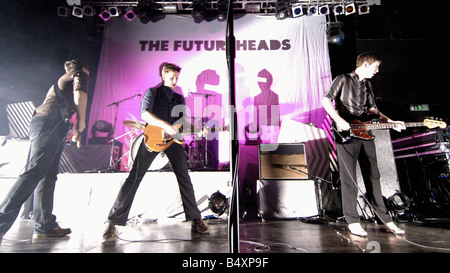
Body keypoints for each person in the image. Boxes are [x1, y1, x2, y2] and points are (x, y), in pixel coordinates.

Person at [102, 63, 210, 242]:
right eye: (172, 77)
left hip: (172, 142)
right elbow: (144, 114)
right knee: (133, 178)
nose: (175, 81)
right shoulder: (152, 92)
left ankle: (196, 219)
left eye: (177, 78)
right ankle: (112, 222)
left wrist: (198, 130)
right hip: (152, 138)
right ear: (163, 76)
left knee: (184, 177)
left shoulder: (178, 98)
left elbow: (183, 121)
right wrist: (165, 125)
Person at [0, 59, 89, 245]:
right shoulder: (78, 75)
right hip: (48, 124)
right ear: (83, 69)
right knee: (33, 172)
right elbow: (80, 94)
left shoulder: (65, 79)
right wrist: (81, 123)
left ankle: (44, 226)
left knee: (47, 176)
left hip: (50, 125)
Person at [322, 52, 406, 237]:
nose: (377, 71)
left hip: (365, 132)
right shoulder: (342, 79)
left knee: (373, 175)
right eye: (376, 67)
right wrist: (338, 119)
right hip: (346, 133)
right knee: (349, 178)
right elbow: (326, 100)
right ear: (366, 65)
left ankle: (385, 220)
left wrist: (391, 121)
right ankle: (352, 220)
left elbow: (373, 110)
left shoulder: (367, 85)